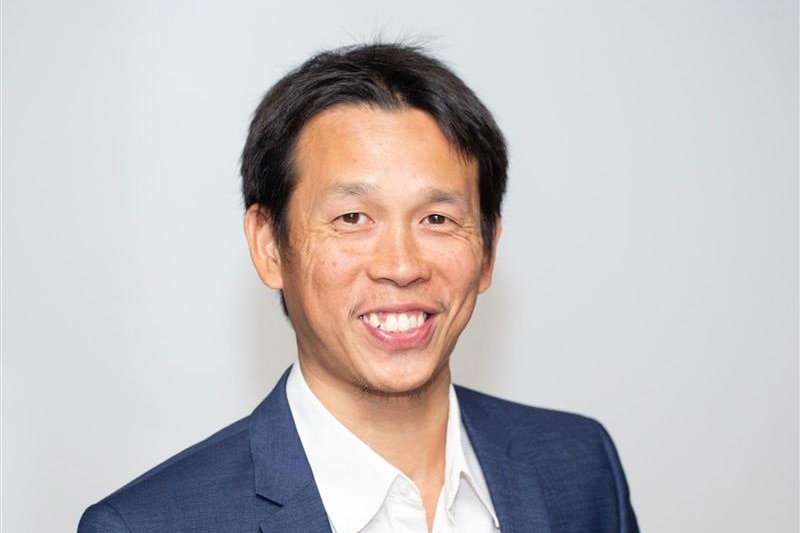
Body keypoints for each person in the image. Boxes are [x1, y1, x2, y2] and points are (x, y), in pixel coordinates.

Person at [79, 43, 639, 533]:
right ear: (269, 245)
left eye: (437, 219)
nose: (401, 266)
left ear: (488, 248)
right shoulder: (151, 524)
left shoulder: (579, 468)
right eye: (352, 218)